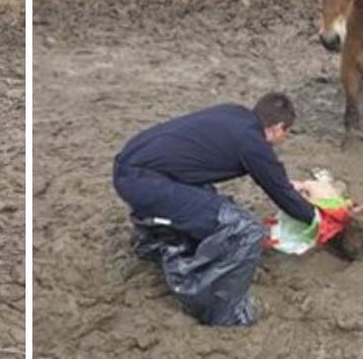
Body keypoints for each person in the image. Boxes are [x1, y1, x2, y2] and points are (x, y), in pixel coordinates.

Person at [112, 92, 326, 327]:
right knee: (244, 229)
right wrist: (317, 219)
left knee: (209, 202)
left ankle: (154, 243)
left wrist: (285, 185)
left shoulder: (234, 114)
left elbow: (275, 180)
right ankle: (222, 311)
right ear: (277, 128)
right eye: (287, 133)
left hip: (130, 165)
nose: (284, 139)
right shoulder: (253, 143)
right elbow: (280, 193)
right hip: (145, 183)